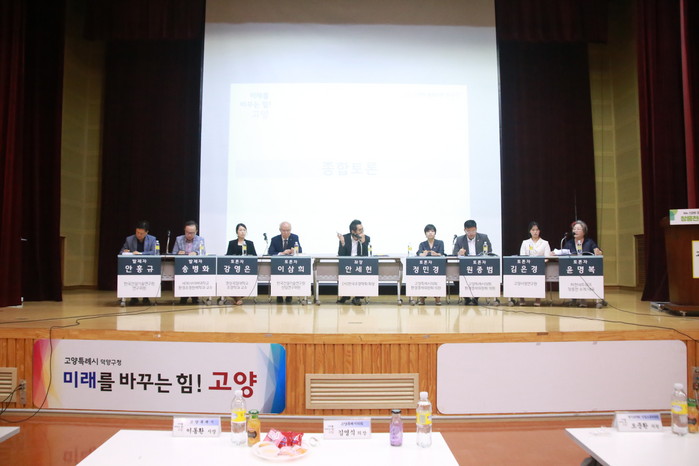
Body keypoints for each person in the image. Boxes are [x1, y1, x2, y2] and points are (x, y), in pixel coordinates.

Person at [453, 219, 493, 305]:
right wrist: (459, 253)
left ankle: (476, 297)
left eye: (473, 230)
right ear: (465, 230)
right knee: (455, 277)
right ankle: (466, 298)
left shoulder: (483, 237)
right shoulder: (460, 239)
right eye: (468, 231)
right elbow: (454, 253)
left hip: (479, 265)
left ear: (476, 229)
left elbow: (489, 251)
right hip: (465, 266)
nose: (471, 233)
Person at [120, 220, 157, 305]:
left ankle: (146, 297)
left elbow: (154, 252)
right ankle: (133, 298)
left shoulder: (152, 239)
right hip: (133, 265)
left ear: (146, 232)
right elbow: (121, 252)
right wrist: (125, 251)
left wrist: (140, 254)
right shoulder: (129, 239)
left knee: (146, 279)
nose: (139, 235)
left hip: (147, 265)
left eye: (141, 233)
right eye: (137, 232)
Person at [336, 219, 370, 306]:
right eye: (360, 230)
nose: (362, 232)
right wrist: (342, 243)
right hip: (348, 264)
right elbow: (341, 255)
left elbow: (366, 255)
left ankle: (357, 297)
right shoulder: (345, 238)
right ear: (353, 231)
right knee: (343, 271)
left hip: (359, 264)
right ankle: (345, 295)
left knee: (363, 274)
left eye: (362, 229)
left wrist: (364, 243)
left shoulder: (366, 238)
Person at [517, 221, 552, 306]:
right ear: (530, 231)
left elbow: (547, 257)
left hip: (540, 267)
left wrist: (539, 263)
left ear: (539, 231)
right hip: (527, 266)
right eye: (533, 230)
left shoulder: (545, 243)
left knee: (539, 276)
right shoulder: (525, 242)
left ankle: (538, 298)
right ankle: (522, 298)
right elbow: (522, 256)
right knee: (521, 276)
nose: (535, 232)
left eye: (537, 230)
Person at [173, 220, 206, 304]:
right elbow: (173, 252)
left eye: (192, 233)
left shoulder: (200, 240)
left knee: (195, 278)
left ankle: (195, 297)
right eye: (187, 232)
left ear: (196, 231)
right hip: (182, 266)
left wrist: (196, 253)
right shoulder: (179, 239)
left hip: (195, 265)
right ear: (184, 230)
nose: (189, 235)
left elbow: (203, 253)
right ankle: (183, 297)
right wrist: (178, 253)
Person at [268, 221, 302, 303]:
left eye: (288, 230)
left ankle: (289, 295)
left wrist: (294, 251)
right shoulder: (275, 239)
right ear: (280, 230)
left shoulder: (295, 237)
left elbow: (300, 250)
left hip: (290, 264)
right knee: (278, 277)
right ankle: (279, 295)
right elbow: (270, 252)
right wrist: (282, 253)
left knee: (290, 277)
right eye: (284, 230)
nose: (286, 232)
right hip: (278, 264)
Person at [225, 223, 257, 305]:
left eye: (244, 230)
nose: (242, 232)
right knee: (234, 278)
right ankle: (237, 297)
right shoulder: (232, 243)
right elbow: (228, 256)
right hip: (234, 268)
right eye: (240, 230)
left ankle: (237, 297)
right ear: (237, 232)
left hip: (246, 268)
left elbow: (254, 256)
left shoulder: (250, 243)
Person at [416, 224, 444, 305]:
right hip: (425, 267)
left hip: (437, 267)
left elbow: (442, 253)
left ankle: (437, 298)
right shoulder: (422, 244)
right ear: (425, 234)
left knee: (438, 277)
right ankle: (422, 298)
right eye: (428, 231)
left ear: (435, 233)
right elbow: (419, 253)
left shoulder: (440, 242)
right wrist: (423, 254)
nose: (430, 233)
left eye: (432, 231)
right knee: (422, 277)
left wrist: (437, 254)